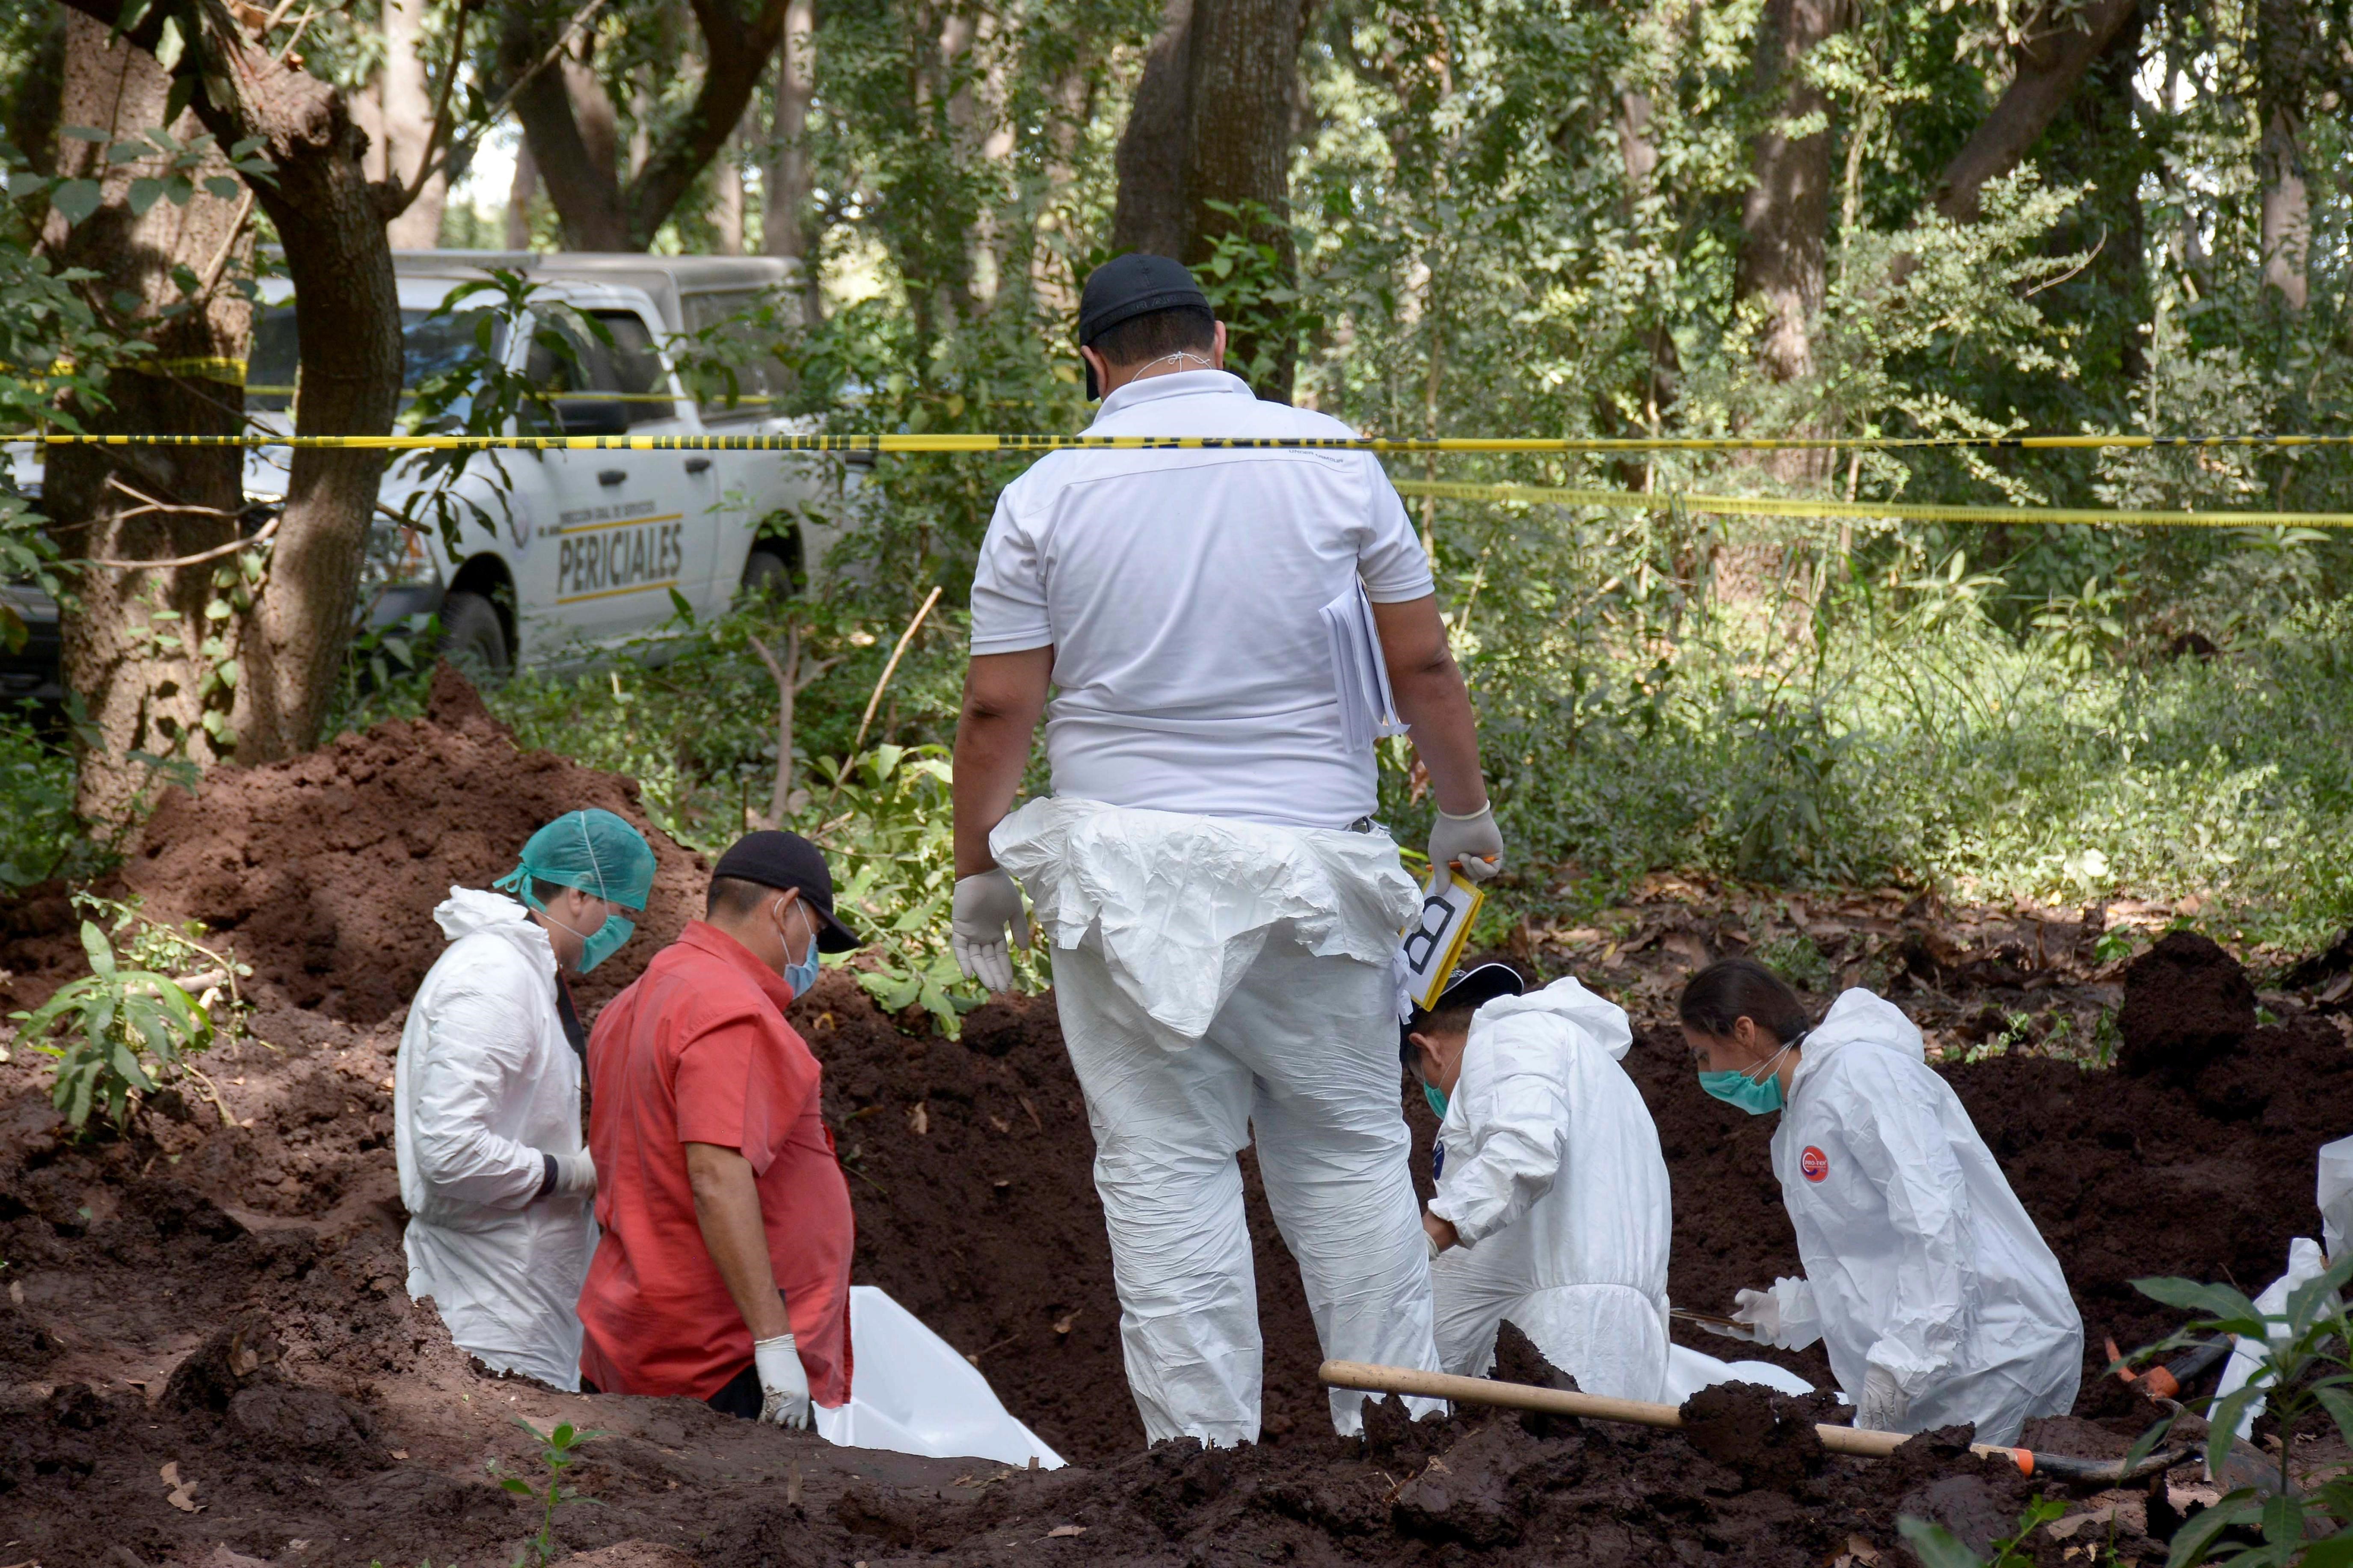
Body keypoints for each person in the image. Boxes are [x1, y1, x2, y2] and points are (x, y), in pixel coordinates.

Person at [948, 252, 1504, 1446]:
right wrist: (1457, 806)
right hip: (1312, 878)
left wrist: (977, 865)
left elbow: (1000, 707)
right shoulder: (1327, 459)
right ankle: (1398, 1438)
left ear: (1090, 364)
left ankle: (1200, 1468)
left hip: (1124, 887)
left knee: (1163, 1163)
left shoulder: (1047, 492)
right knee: (1352, 1153)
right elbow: (1421, 666)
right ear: (1217, 337)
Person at [1681, 957, 2082, 1446]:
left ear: (1744, 1031)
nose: (1704, 1075)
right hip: (1944, 1371)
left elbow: (1934, 1222)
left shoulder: (1863, 1075)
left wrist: (1905, 1362)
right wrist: (1795, 1312)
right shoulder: (1799, 1121)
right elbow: (1868, 1257)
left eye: (1703, 1055)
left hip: (1997, 1357)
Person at [576, 830, 863, 1427]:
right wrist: (774, 1344)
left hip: (642, 1334)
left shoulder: (640, 997)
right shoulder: (731, 1009)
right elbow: (715, 1176)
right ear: (784, 909)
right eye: (813, 931)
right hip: (717, 1363)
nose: (808, 953)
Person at [395, 808, 657, 1390]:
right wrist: (572, 1173)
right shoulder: (496, 976)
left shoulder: (526, 970)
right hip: (487, 1297)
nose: (623, 930)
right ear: (579, 897)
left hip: (517, 1284)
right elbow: (450, 1150)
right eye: (622, 912)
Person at [1408, 964, 1675, 1402]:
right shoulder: (1585, 1068)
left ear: (1427, 1048)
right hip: (1592, 1338)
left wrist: (1424, 1241)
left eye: (1423, 1080)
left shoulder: (1507, 1040)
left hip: (1556, 1341)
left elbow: (1520, 1154)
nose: (1434, 1093)